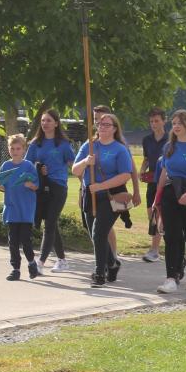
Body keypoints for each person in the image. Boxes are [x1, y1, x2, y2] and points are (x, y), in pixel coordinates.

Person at [72, 113, 133, 287]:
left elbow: (125, 175)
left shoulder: (119, 149)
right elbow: (76, 171)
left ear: (114, 128)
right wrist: (86, 162)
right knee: (93, 232)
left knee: (99, 232)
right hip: (89, 194)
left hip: (110, 195)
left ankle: (100, 273)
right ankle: (112, 263)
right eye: (100, 124)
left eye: (107, 124)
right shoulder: (89, 146)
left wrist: (101, 185)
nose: (102, 127)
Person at [153, 110, 186, 293]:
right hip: (170, 194)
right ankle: (170, 279)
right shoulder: (169, 147)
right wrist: (157, 199)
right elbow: (163, 174)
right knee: (171, 236)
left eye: (179, 123)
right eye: (174, 123)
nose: (175, 126)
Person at [26, 109, 75, 273]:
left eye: (48, 120)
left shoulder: (63, 144)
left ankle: (40, 263)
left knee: (50, 224)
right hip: (41, 189)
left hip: (58, 187)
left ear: (56, 123)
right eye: (42, 120)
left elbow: (73, 165)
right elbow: (27, 166)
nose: (45, 123)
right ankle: (62, 261)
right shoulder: (35, 143)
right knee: (51, 224)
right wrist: (38, 169)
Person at [0, 134, 40, 281]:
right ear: (8, 149)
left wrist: (30, 185)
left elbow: (36, 185)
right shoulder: (6, 166)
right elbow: (2, 186)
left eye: (18, 148)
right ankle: (15, 269)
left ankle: (32, 263)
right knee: (12, 241)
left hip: (26, 209)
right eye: (12, 148)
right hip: (12, 208)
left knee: (25, 239)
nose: (15, 151)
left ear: (24, 149)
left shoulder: (28, 166)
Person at [140, 107, 168, 262]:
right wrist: (142, 171)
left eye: (157, 121)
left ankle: (154, 250)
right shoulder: (147, 140)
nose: (154, 124)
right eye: (151, 121)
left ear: (164, 121)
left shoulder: (171, 139)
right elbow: (146, 158)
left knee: (159, 216)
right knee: (152, 215)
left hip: (167, 182)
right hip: (152, 182)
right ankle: (157, 247)